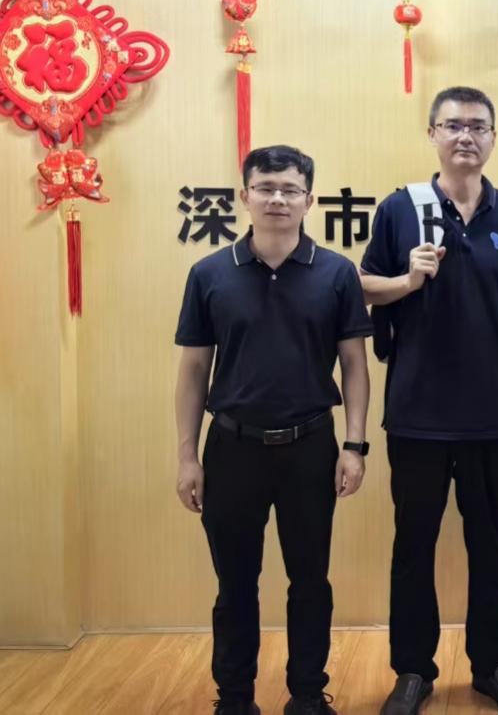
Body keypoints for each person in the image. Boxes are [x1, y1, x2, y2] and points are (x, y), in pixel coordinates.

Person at [360, 86, 498, 715]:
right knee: (412, 546)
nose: (466, 136)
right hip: (416, 413)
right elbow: (361, 288)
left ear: (493, 137)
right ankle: (413, 671)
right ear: (432, 134)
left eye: (478, 126)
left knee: (489, 546)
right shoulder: (400, 209)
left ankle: (493, 665)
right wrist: (407, 279)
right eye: (453, 125)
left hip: (492, 414)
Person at [175, 145, 373, 715]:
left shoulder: (336, 273)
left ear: (310, 199)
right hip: (232, 448)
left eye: (290, 189)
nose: (277, 199)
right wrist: (188, 457)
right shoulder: (210, 274)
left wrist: (354, 445)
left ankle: (307, 695)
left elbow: (354, 364)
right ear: (245, 196)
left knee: (310, 580)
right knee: (235, 583)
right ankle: (234, 698)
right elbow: (194, 370)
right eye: (265, 187)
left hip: (311, 446)